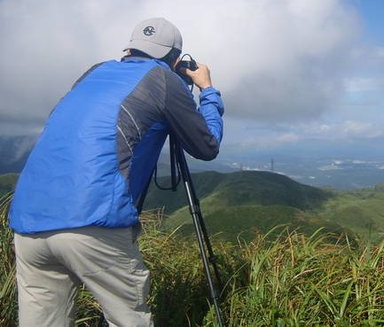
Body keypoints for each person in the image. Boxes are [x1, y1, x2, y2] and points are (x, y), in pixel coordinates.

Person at [8, 17, 224, 327]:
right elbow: (207, 145)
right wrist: (208, 91)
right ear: (176, 59)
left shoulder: (94, 73)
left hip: (28, 221)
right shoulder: (165, 80)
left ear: (130, 48)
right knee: (129, 320)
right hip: (93, 219)